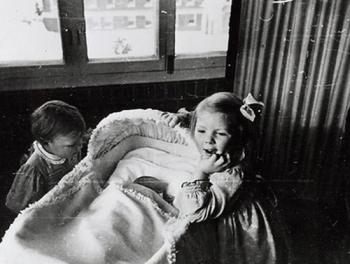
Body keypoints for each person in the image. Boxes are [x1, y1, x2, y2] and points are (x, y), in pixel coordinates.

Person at [160, 92, 291, 263]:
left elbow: (195, 212)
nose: (208, 140)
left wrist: (202, 171)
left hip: (240, 230)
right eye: (201, 131)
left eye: (220, 134)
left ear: (238, 137)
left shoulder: (233, 173)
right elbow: (202, 118)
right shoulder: (218, 139)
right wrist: (180, 117)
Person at [6, 100, 87, 214]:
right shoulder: (35, 170)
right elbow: (20, 209)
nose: (79, 147)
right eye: (72, 145)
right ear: (48, 142)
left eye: (81, 140)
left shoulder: (68, 148)